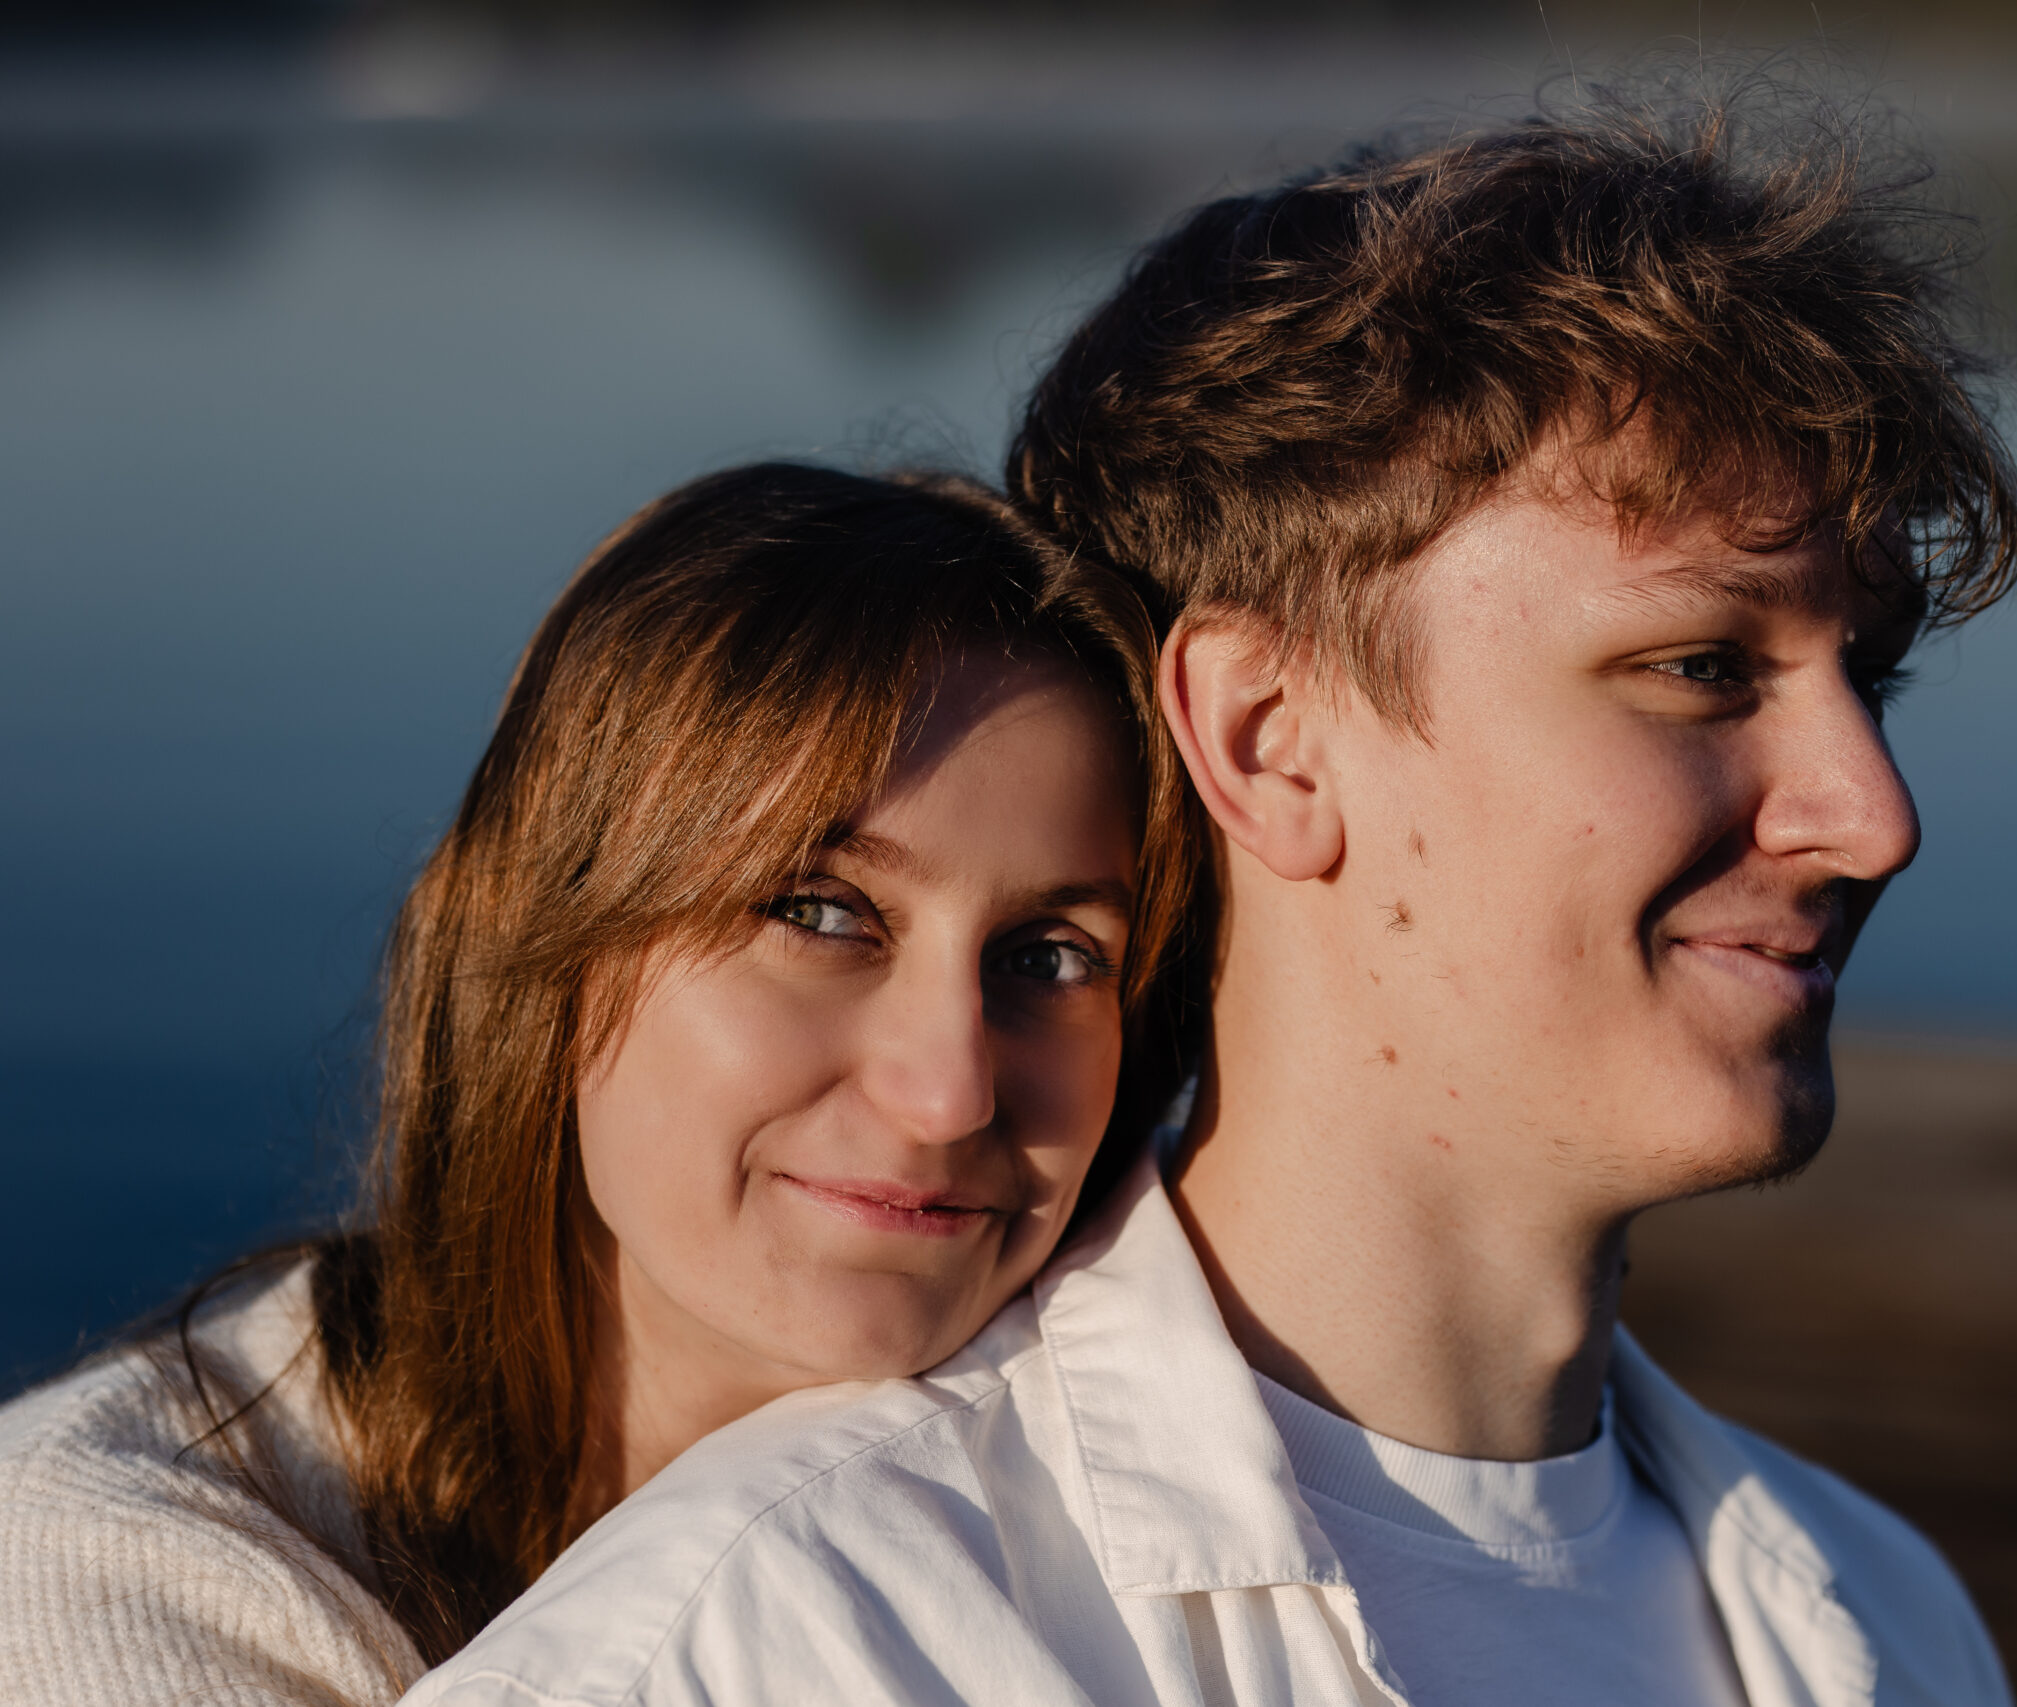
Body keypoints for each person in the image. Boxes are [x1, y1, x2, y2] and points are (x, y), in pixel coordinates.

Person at [408, 80, 2017, 1707]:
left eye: (1870, 680)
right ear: (1270, 738)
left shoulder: (1879, 1615)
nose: (1872, 817)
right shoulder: (776, 1646)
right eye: (1701, 666)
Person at [0, 464, 1201, 1707]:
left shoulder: (1177, 1518)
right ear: (551, 940)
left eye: (1051, 957)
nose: (947, 1093)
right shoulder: (114, 1579)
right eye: (818, 911)